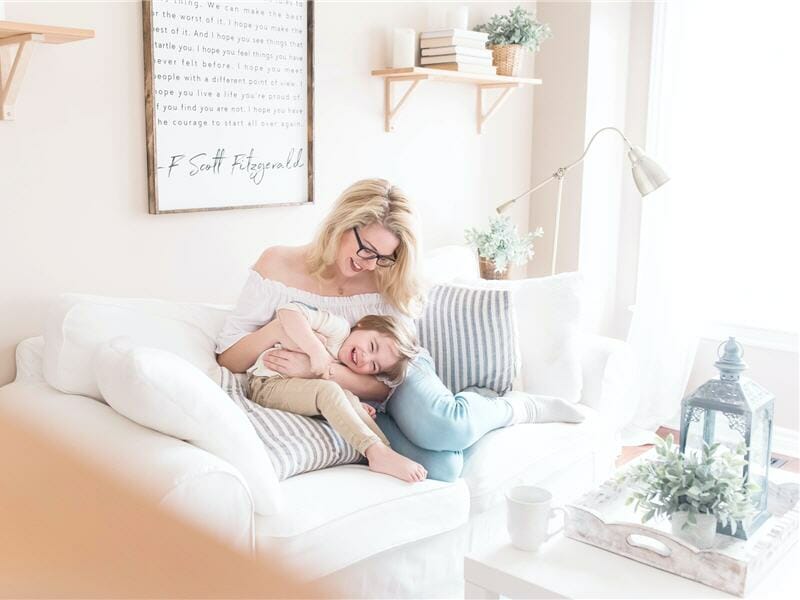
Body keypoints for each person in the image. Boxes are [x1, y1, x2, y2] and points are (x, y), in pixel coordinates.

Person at [215, 178, 582, 483]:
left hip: (393, 368)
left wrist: (322, 367)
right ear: (341, 224)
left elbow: (385, 380)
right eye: (365, 248)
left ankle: (512, 408)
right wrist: (281, 329)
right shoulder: (277, 264)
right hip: (348, 394)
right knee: (444, 469)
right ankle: (465, 413)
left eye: (382, 257)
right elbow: (228, 358)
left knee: (447, 428)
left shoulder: (386, 278)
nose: (368, 263)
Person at [245, 300, 426, 482]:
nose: (365, 358)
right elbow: (288, 310)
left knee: (347, 397)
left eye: (373, 365)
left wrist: (353, 404)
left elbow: (321, 391)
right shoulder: (337, 329)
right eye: (372, 346)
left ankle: (383, 451)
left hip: (296, 390)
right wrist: (316, 350)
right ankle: (375, 452)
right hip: (267, 383)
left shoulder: (347, 367)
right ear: (363, 324)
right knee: (329, 390)